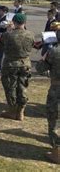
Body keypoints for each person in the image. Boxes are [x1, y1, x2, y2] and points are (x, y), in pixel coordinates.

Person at [0, 13, 35, 121]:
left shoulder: (7, 35)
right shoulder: (30, 34)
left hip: (10, 64)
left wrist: (8, 30)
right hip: (25, 63)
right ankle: (21, 112)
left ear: (13, 22)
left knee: (10, 88)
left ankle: (12, 111)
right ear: (25, 22)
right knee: (23, 87)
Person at [35, 21, 60, 164]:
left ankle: (57, 152)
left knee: (55, 118)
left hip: (57, 88)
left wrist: (44, 56)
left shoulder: (54, 51)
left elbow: (40, 68)